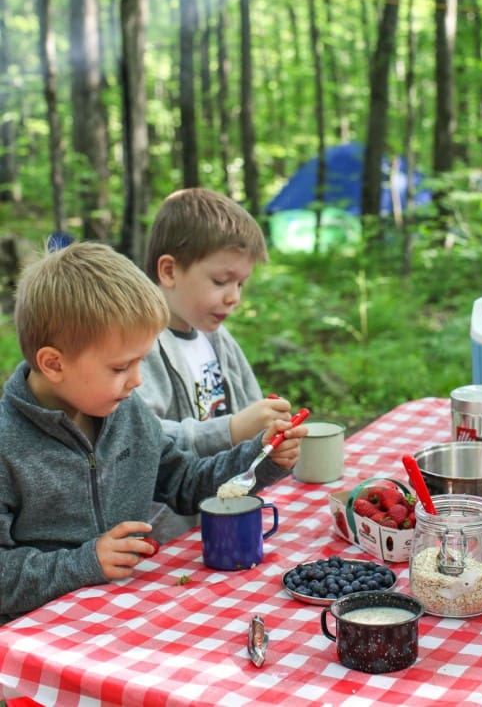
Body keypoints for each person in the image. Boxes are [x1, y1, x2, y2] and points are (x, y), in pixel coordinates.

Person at [0, 241, 306, 624]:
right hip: (36, 638)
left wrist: (259, 460)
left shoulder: (126, 414)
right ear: (53, 363)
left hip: (124, 616)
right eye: (119, 368)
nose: (137, 380)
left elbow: (186, 482)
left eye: (140, 361)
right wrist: (85, 562)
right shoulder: (7, 446)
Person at [137, 187, 292, 542]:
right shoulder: (139, 348)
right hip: (168, 536)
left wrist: (270, 433)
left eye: (240, 283)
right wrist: (231, 430)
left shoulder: (215, 336)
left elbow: (251, 408)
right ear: (169, 271)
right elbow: (143, 438)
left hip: (227, 513)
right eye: (221, 281)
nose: (233, 296)